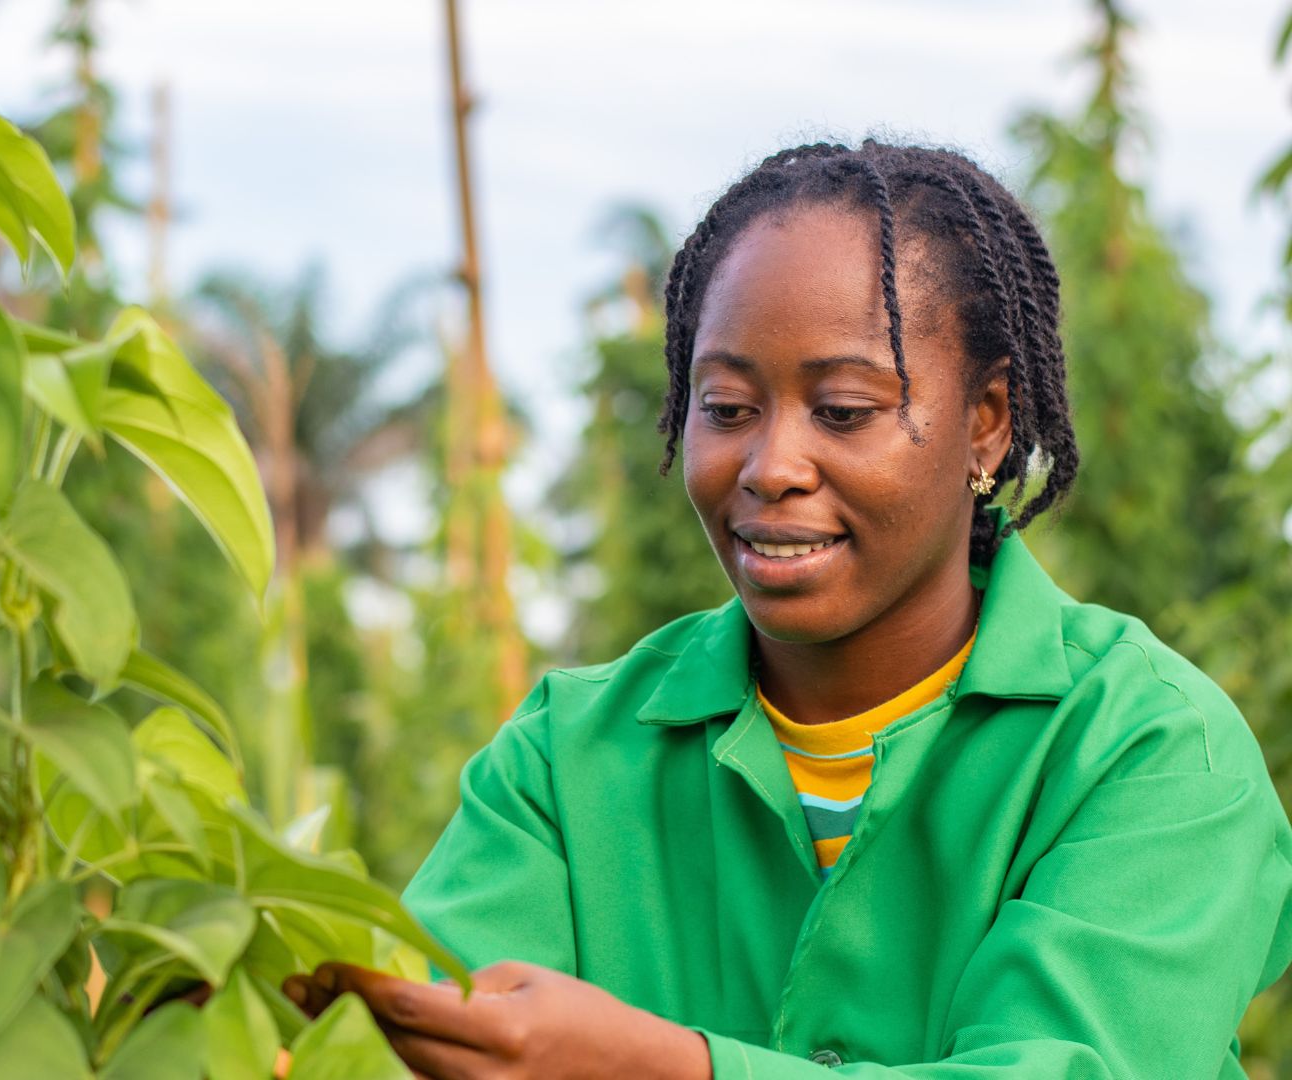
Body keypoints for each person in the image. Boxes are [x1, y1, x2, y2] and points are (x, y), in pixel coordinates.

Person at [281, 140, 1292, 1078]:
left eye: (844, 411)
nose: (771, 468)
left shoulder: (1148, 748)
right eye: (726, 410)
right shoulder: (567, 757)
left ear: (985, 427)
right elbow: (395, 1041)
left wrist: (670, 1067)